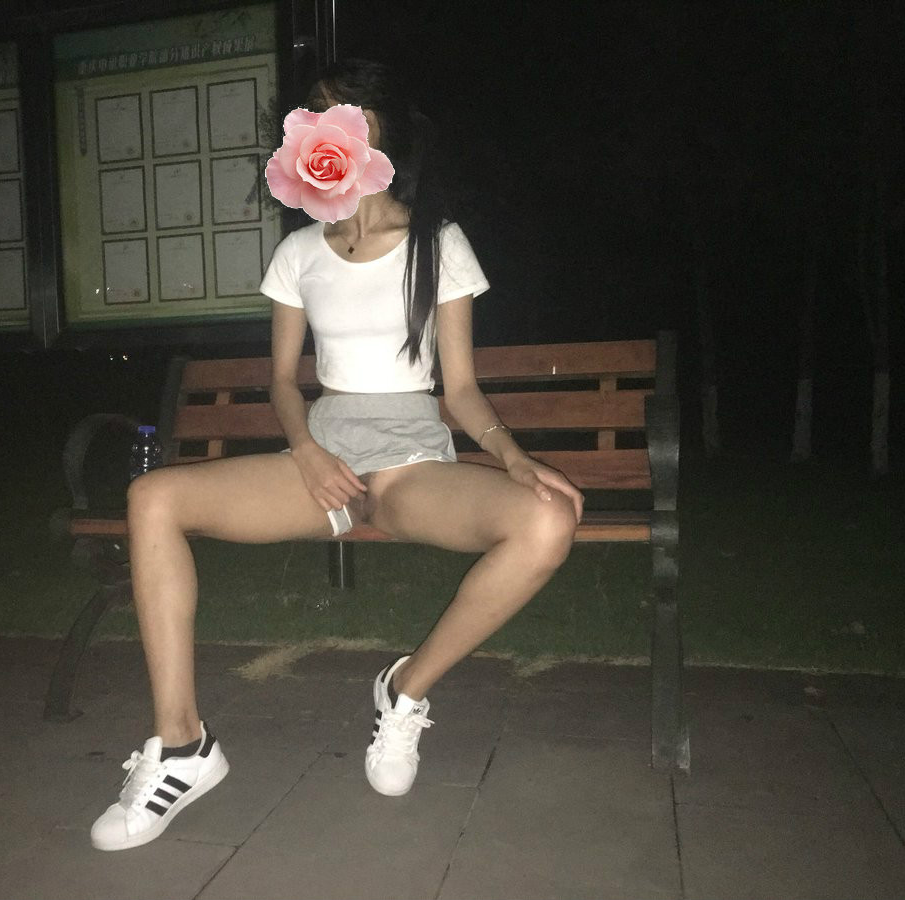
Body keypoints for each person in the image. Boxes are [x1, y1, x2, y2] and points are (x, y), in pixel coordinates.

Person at [90, 59, 583, 852]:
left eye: (347, 110)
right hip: (323, 458)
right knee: (153, 498)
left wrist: (516, 461)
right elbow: (283, 382)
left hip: (411, 465)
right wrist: (307, 451)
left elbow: (460, 389)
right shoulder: (299, 253)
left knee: (547, 522)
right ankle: (182, 747)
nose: (330, 125)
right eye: (316, 113)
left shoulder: (438, 243)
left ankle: (406, 688)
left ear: (381, 131)